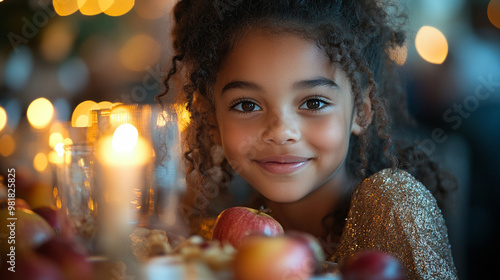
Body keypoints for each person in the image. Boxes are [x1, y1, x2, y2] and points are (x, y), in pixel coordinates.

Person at [156, 0, 458, 279]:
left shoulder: (392, 206)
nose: (280, 131)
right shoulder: (214, 231)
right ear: (211, 118)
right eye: (246, 105)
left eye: (313, 103)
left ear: (361, 113)